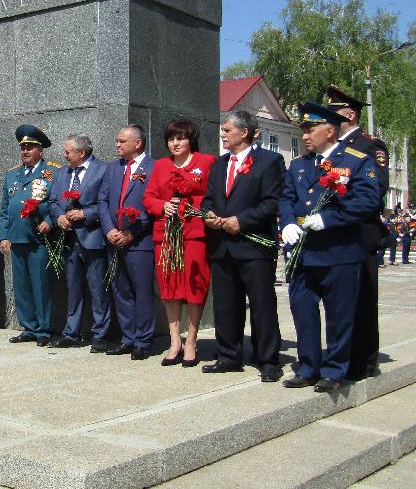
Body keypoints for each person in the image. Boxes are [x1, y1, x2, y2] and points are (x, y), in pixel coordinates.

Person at [280, 101, 379, 392]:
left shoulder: (356, 160)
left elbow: (367, 201)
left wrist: (329, 219)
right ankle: (308, 366)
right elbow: (286, 198)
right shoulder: (299, 165)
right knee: (303, 311)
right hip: (303, 252)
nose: (305, 136)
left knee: (339, 315)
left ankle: (335, 370)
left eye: (310, 129)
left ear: (330, 131)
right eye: (304, 130)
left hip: (339, 250)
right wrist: (287, 223)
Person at [200, 110, 284, 382]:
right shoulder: (219, 164)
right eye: (222, 130)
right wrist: (209, 215)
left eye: (227, 130)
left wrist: (242, 221)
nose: (222, 134)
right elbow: (209, 199)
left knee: (261, 305)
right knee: (226, 305)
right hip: (222, 245)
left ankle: (267, 359)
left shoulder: (269, 161)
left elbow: (273, 202)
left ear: (244, 132)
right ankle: (228, 356)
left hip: (253, 246)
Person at [325, 85, 392, 380]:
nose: (328, 120)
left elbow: (377, 189)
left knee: (362, 300)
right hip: (334, 234)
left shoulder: (369, 145)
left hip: (359, 234)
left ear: (349, 115)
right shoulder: (333, 148)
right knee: (340, 302)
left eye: (333, 113)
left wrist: (337, 201)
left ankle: (364, 362)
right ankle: (341, 356)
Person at [143, 119, 216, 366]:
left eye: (180, 138)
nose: (175, 143)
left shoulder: (206, 162)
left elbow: (212, 196)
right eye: (171, 139)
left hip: (194, 233)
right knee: (170, 286)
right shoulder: (161, 165)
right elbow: (149, 197)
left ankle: (192, 340)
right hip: (166, 233)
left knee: (195, 285)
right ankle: (175, 340)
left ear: (191, 140)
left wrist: (191, 207)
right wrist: (163, 205)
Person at [97, 124, 156, 360]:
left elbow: (151, 206)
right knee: (120, 291)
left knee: (142, 292)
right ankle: (128, 338)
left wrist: (132, 232)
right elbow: (102, 201)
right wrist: (109, 229)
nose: (117, 145)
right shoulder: (113, 168)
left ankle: (143, 340)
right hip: (114, 241)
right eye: (117, 140)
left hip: (140, 242)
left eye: (122, 141)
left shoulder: (153, 168)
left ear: (138, 143)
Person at [48, 134, 111, 352]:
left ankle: (100, 334)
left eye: (68, 152)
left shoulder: (103, 170)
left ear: (81, 152)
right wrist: (59, 217)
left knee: (98, 289)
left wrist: (85, 213)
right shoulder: (62, 172)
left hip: (93, 238)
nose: (64, 155)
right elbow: (53, 201)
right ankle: (71, 333)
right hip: (69, 239)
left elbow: (107, 202)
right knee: (73, 289)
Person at [0, 125, 60, 347]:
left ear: (40, 150)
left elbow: (58, 203)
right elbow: (4, 209)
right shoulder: (11, 175)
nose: (25, 151)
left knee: (40, 285)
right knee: (22, 287)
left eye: (30, 147)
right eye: (23, 147)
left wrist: (50, 222)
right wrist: (4, 235)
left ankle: (43, 329)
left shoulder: (52, 172)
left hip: (39, 239)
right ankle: (29, 327)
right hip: (17, 238)